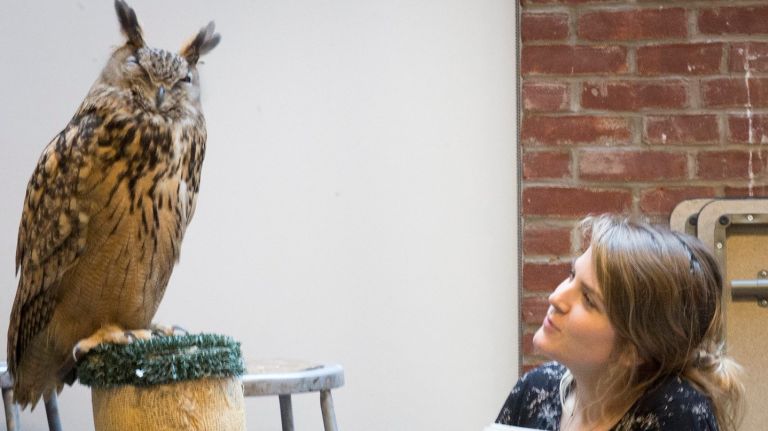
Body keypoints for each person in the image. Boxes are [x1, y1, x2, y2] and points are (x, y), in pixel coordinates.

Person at [496, 215, 744, 431]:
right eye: (572, 275)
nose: (556, 298)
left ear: (632, 350)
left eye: (588, 300)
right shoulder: (536, 388)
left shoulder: (676, 414)